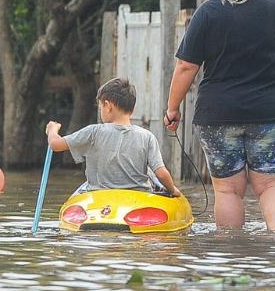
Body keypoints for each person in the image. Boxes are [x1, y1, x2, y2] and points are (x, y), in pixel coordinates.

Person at [165, 0, 275, 232]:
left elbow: (186, 67)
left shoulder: (209, 12)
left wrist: (172, 108)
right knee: (273, 183)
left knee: (228, 190)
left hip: (219, 114)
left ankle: (230, 250)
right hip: (272, 113)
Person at [47, 77, 185, 199]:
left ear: (107, 106)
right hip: (137, 199)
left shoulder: (93, 132)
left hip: (100, 198)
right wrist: (173, 190)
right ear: (133, 108)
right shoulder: (147, 136)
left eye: (100, 106)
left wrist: (52, 130)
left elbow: (55, 144)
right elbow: (161, 173)